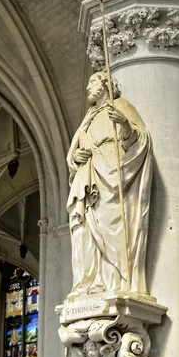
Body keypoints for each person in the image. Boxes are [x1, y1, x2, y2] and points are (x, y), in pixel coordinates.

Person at [66, 72, 153, 297]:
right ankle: (90, 282)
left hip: (111, 169)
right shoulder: (89, 117)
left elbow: (139, 140)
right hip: (88, 174)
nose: (87, 88)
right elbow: (73, 153)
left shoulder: (120, 106)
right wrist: (76, 158)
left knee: (111, 224)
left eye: (92, 82)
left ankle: (115, 282)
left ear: (105, 84)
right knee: (85, 226)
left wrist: (123, 123)